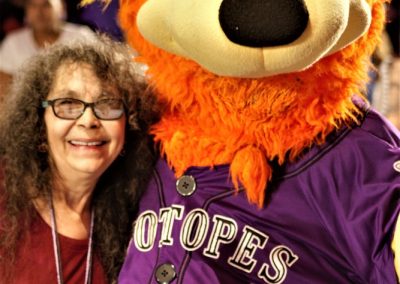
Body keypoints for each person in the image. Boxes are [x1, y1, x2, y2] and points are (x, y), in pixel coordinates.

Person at [0, 36, 159, 283]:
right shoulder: (4, 192)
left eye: (107, 104)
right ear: (40, 126)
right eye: (68, 104)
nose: (88, 120)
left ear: (129, 126)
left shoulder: (134, 223)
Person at [0, 0, 96, 96]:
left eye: (46, 5)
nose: (39, 12)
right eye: (33, 6)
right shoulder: (12, 43)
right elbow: (3, 91)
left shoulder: (82, 37)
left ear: (62, 8)